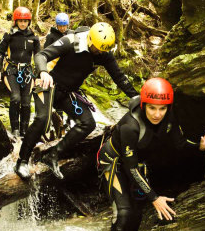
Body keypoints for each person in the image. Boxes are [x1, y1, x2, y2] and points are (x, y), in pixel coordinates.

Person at [96, 78, 205, 231]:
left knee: (137, 211)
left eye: (162, 109)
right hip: (114, 162)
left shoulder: (169, 117)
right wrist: (155, 198)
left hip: (136, 163)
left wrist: (200, 147)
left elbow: (180, 144)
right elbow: (130, 167)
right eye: (152, 108)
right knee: (124, 212)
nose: (157, 114)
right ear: (144, 105)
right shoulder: (130, 126)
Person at [15, 22, 138, 180]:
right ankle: (21, 162)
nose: (99, 53)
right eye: (97, 49)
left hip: (67, 92)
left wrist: (136, 97)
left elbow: (119, 76)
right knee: (42, 120)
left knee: (88, 123)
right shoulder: (71, 41)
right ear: (90, 40)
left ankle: (53, 155)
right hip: (47, 85)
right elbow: (41, 55)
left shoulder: (104, 53)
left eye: (103, 50)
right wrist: (43, 72)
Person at [0, 7, 40, 137]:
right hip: (11, 70)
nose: (22, 24)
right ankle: (14, 129)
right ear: (15, 21)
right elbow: (0, 53)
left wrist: (37, 76)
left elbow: (38, 57)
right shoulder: (9, 35)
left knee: (26, 102)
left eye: (25, 21)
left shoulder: (34, 38)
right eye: (20, 21)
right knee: (16, 98)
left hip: (27, 72)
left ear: (29, 22)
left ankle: (24, 130)